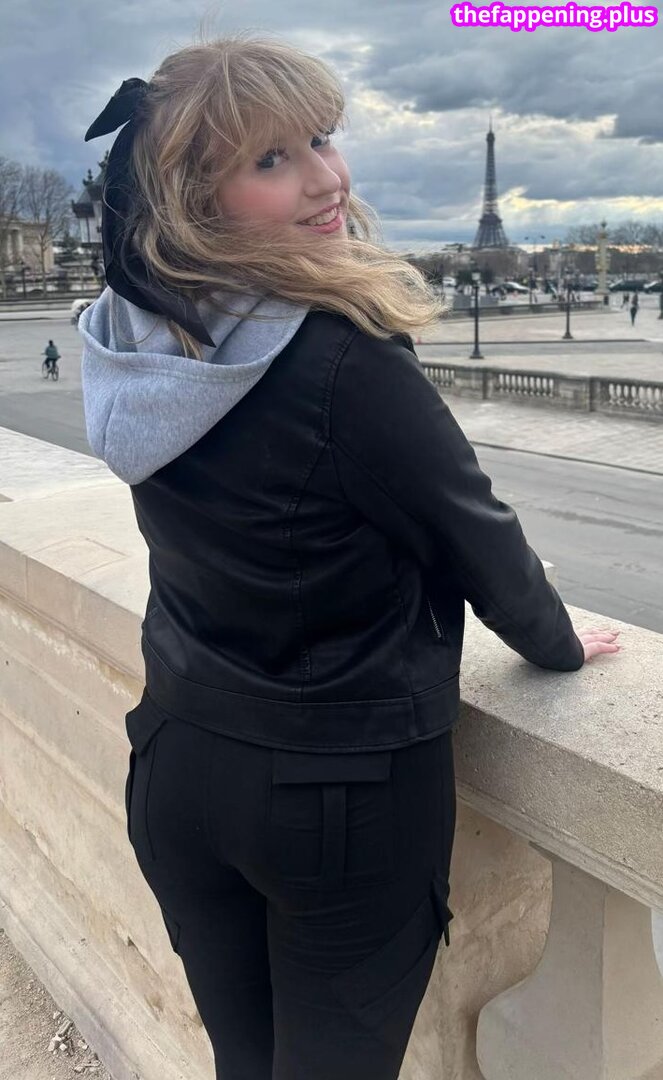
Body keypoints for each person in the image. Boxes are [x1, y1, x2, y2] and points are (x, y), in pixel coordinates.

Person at [78, 33, 621, 1080]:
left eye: (322, 138)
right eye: (270, 159)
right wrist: (556, 643)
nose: (327, 178)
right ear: (196, 195)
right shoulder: (336, 357)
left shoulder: (136, 337)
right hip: (336, 792)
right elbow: (474, 535)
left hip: (178, 758)